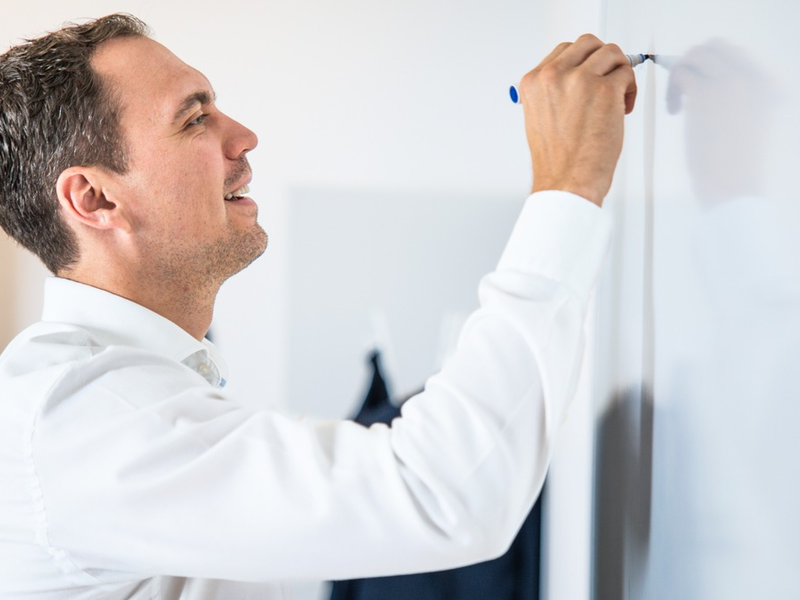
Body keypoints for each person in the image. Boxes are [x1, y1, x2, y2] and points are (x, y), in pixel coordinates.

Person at [0, 13, 636, 599]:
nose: (244, 137)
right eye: (195, 119)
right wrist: (568, 188)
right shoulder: (83, 417)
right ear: (95, 198)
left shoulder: (120, 391)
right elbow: (439, 491)